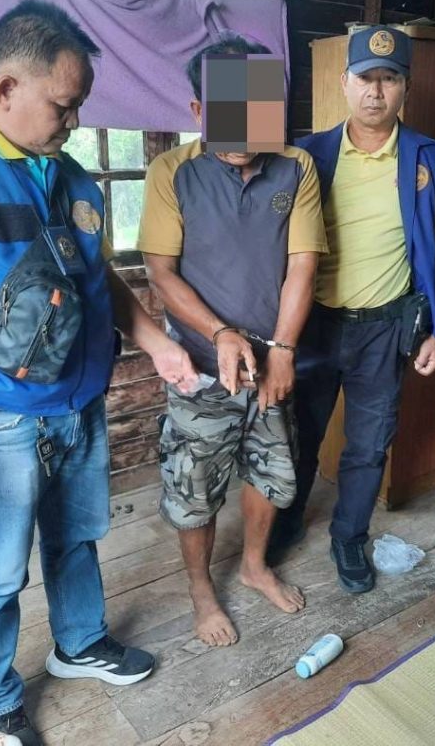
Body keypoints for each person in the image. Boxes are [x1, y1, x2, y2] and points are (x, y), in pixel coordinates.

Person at [0, 0, 197, 745]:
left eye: (79, 105)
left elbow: (98, 278)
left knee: (77, 536)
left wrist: (156, 343)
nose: (74, 121)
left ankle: (78, 643)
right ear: (6, 90)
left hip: (79, 402)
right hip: (2, 419)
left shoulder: (72, 177)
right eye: (63, 105)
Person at [138, 37, 328, 647]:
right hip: (200, 368)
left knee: (272, 473)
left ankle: (253, 565)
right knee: (194, 489)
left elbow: (302, 265)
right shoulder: (172, 172)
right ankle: (201, 591)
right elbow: (161, 272)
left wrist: (283, 350)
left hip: (271, 362)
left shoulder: (295, 167)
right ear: (200, 110)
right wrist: (218, 333)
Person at [268, 25, 435, 594]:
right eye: (365, 78)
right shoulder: (309, 154)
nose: (376, 91)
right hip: (316, 324)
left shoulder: (426, 156)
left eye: (389, 79)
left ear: (405, 88)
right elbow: (272, 239)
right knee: (300, 434)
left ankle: (349, 536)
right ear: (344, 84)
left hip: (385, 328)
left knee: (370, 444)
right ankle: (287, 520)